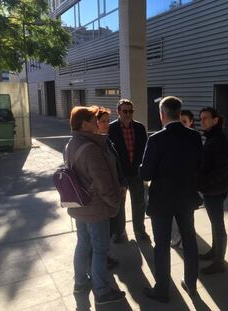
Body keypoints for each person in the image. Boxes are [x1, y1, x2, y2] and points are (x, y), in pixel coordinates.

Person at [140, 96, 203, 302]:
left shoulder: (156, 139)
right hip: (186, 199)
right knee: (190, 240)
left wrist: (140, 168)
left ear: (162, 115)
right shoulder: (194, 136)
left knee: (161, 244)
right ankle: (191, 284)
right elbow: (199, 166)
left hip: (162, 202)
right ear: (179, 113)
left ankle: (162, 289)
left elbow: (146, 174)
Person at [65, 106, 125, 305]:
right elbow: (104, 184)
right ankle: (101, 291)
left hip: (79, 205)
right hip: (96, 208)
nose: (97, 123)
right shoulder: (91, 148)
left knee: (83, 245)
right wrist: (116, 203)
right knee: (99, 249)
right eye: (93, 121)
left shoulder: (71, 143)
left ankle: (80, 283)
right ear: (84, 124)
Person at [108, 99, 150, 242]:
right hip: (120, 175)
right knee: (119, 205)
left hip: (137, 173)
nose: (128, 114)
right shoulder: (111, 129)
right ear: (118, 112)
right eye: (125, 111)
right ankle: (120, 233)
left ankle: (139, 231)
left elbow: (145, 150)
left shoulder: (140, 127)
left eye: (130, 111)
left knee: (139, 204)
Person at [198, 107, 228, 275]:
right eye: (201, 118)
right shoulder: (212, 137)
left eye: (205, 118)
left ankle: (219, 262)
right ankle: (214, 252)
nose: (202, 121)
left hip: (215, 190)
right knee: (214, 222)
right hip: (212, 189)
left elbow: (220, 170)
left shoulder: (218, 139)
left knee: (218, 224)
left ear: (215, 120)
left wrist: (202, 183)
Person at [95, 106, 127, 269]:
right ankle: (102, 259)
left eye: (108, 121)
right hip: (105, 195)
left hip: (115, 190)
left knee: (113, 225)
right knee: (104, 230)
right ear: (95, 123)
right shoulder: (95, 144)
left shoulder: (107, 140)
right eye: (103, 121)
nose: (107, 124)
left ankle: (104, 256)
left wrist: (122, 183)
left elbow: (117, 164)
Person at [171, 109, 196, 248]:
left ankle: (185, 240)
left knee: (187, 216)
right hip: (175, 185)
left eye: (185, 122)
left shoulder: (194, 138)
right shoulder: (174, 138)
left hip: (188, 186)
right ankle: (179, 237)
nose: (182, 124)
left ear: (191, 123)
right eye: (180, 121)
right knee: (177, 215)